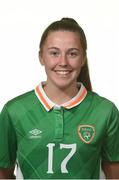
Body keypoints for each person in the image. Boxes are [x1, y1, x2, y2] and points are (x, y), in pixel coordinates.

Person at [0, 17, 119, 179]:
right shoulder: (14, 111)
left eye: (72, 53)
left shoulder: (105, 111)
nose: (63, 62)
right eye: (54, 53)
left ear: (83, 58)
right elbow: (3, 172)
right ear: (41, 57)